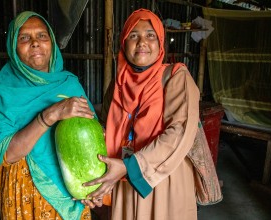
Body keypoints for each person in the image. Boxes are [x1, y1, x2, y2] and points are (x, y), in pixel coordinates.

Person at [84, 8, 202, 219]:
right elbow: (106, 129)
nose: (142, 42)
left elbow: (179, 131)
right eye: (133, 35)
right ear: (124, 43)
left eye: (150, 35)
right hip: (122, 177)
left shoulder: (176, 76)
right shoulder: (117, 84)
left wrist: (130, 166)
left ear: (160, 43)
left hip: (164, 177)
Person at [0, 11, 101, 220]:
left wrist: (93, 186)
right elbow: (6, 155)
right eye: (24, 37)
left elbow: (92, 139)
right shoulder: (2, 88)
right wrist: (50, 114)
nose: (35, 43)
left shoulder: (69, 84)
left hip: (71, 187)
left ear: (52, 43)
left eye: (42, 36)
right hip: (25, 191)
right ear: (13, 46)